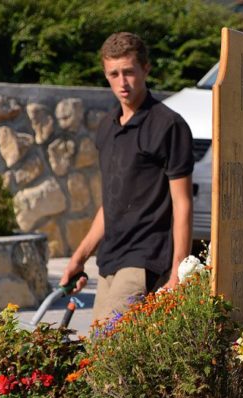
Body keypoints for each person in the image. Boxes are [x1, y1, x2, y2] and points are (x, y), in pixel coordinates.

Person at [61, 32, 194, 321]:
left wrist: (178, 273)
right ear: (106, 74)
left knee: (106, 341)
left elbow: (183, 203)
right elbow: (111, 205)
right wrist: (79, 258)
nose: (122, 82)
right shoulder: (107, 129)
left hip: (146, 258)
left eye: (129, 72)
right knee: (99, 344)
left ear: (145, 69)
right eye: (114, 74)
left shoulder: (168, 126)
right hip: (110, 260)